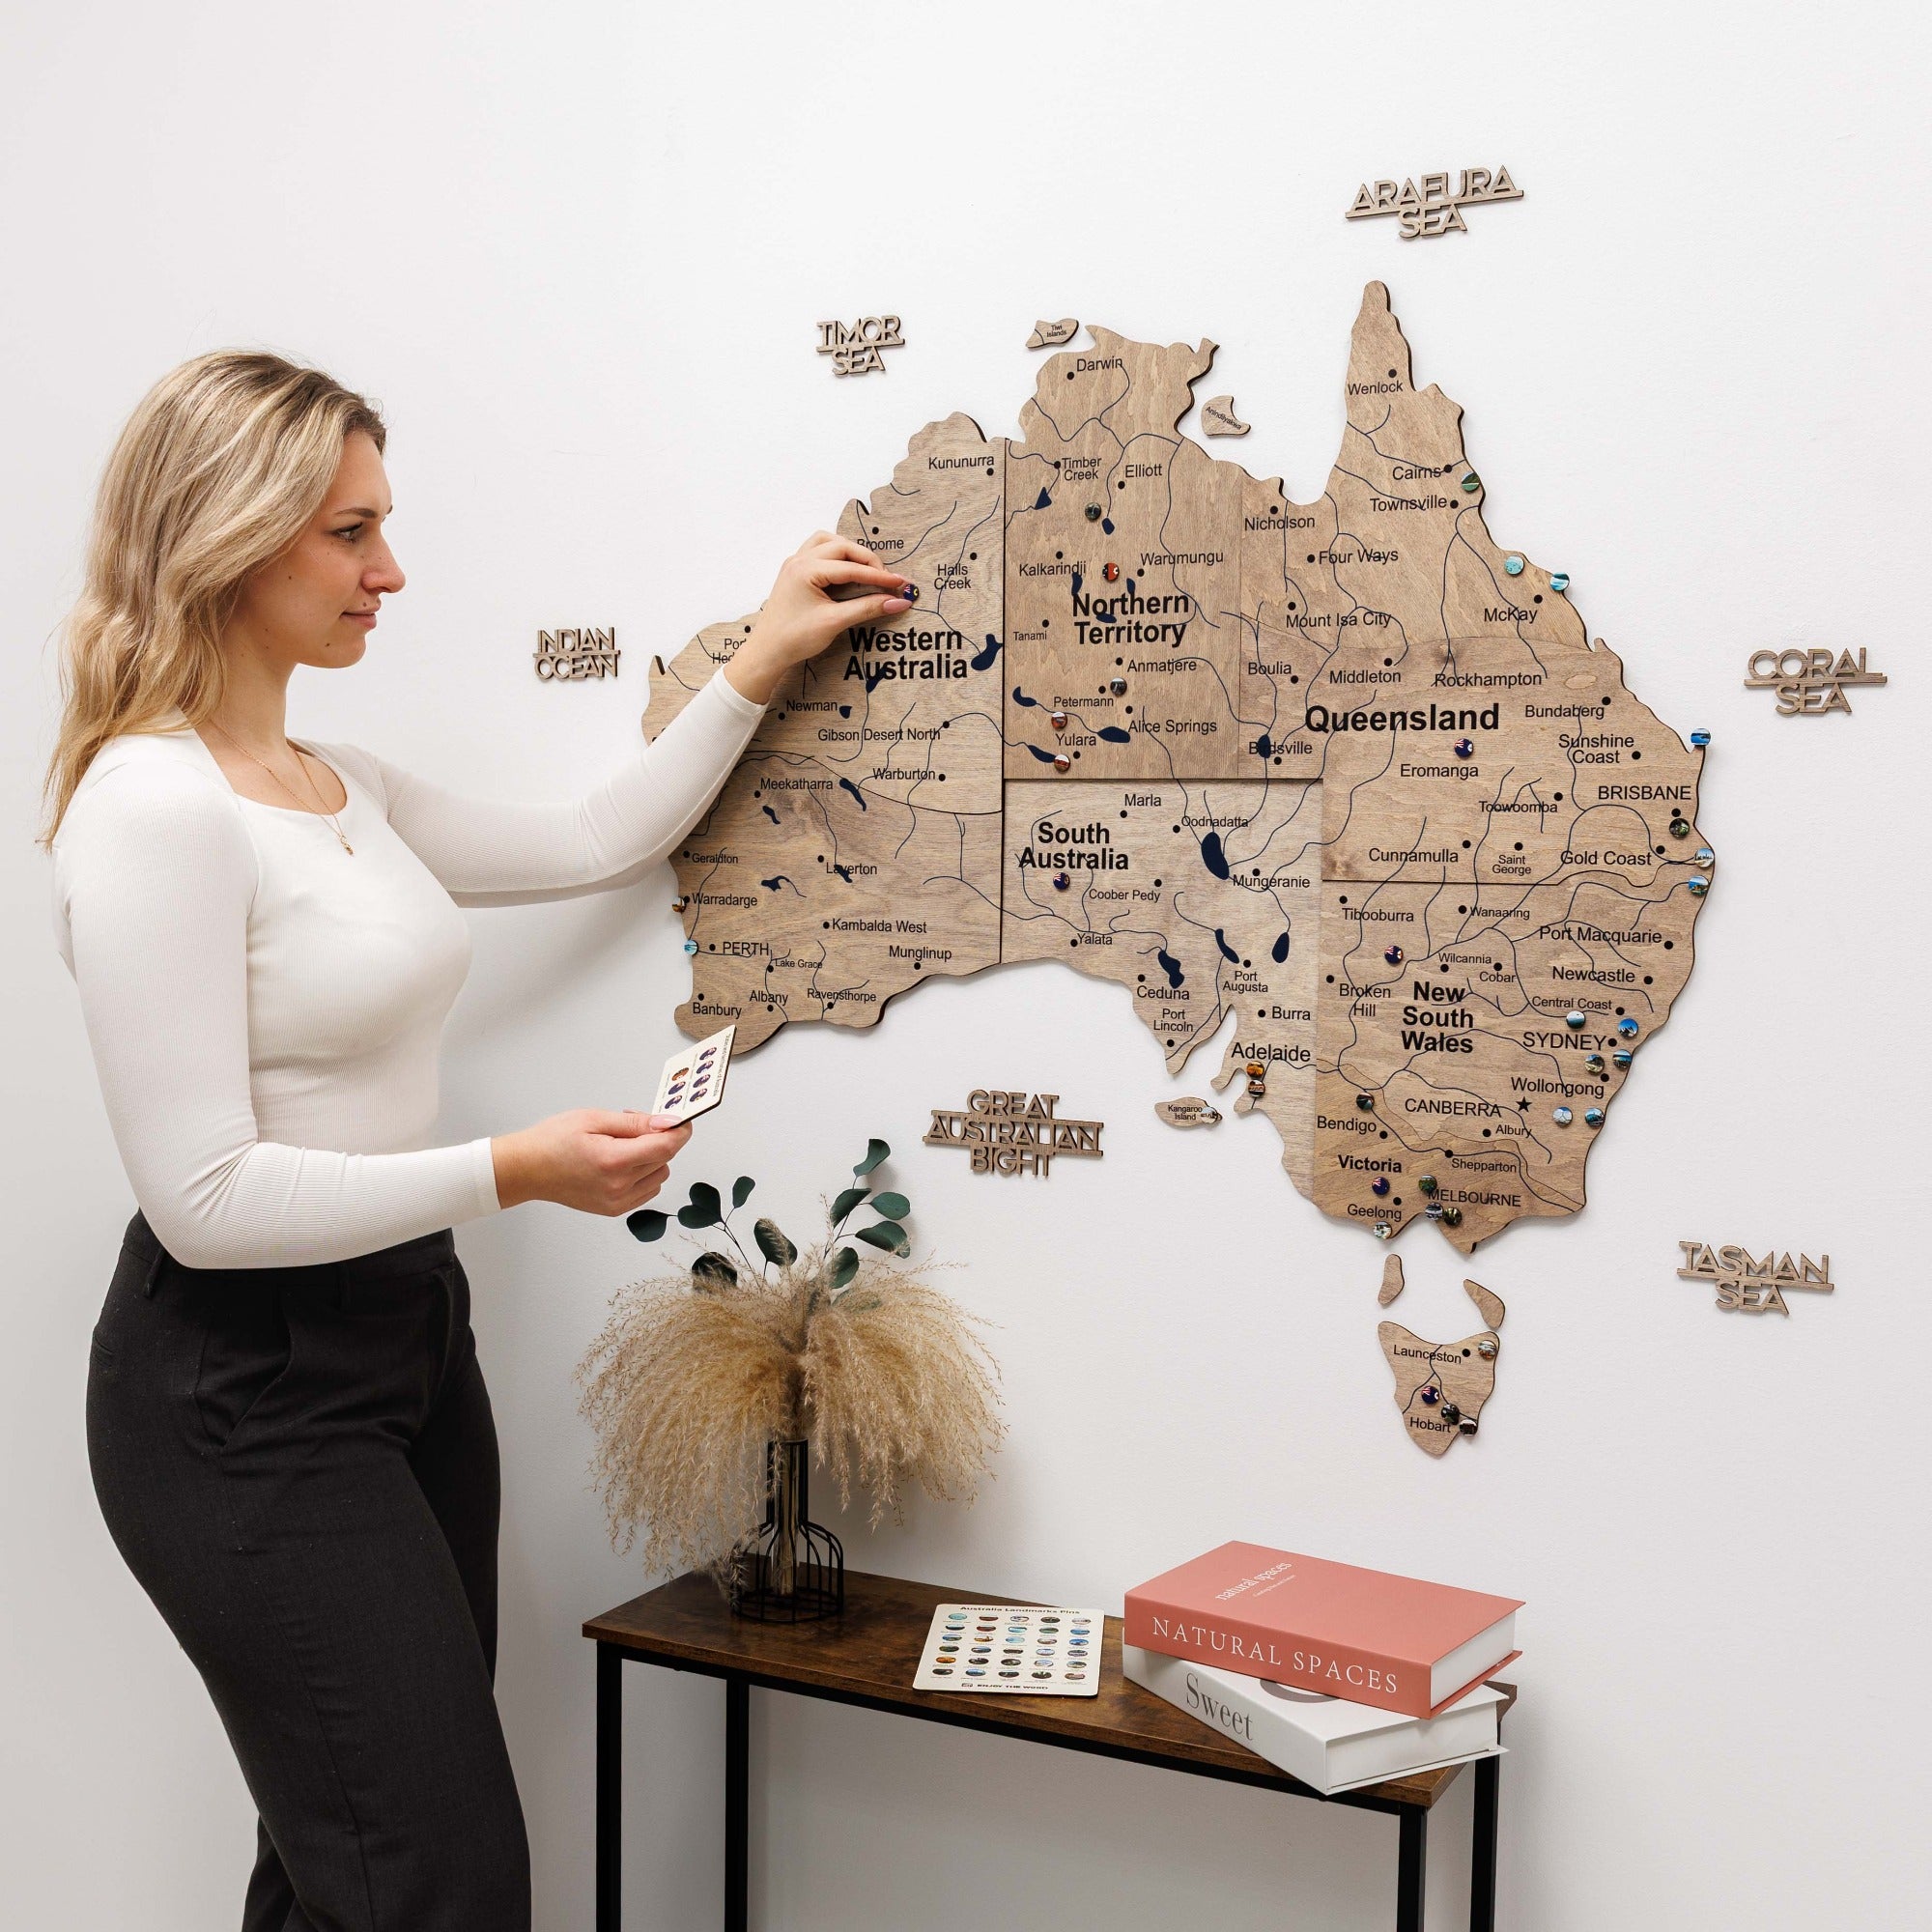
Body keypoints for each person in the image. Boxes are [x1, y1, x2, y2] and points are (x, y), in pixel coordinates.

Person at [45, 351, 913, 1932]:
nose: (390, 570)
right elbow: (205, 1202)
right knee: (438, 1883)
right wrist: (514, 1168)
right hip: (239, 1390)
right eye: (347, 533)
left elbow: (594, 839)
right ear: (227, 538)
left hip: (404, 1343)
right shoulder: (152, 810)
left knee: (349, 1869)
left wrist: (763, 656)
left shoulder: (336, 783)